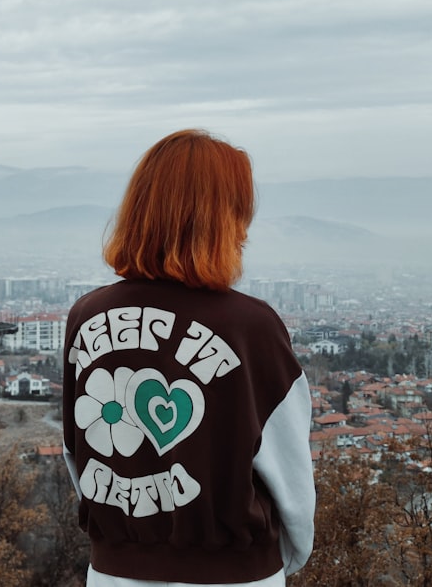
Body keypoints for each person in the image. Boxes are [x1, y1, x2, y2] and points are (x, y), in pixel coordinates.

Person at [63, 129, 315, 587]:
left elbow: (76, 449)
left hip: (115, 572)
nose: (246, 228)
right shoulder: (251, 327)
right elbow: (288, 470)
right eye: (240, 211)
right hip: (234, 576)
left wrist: (124, 540)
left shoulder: (88, 315)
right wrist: (277, 561)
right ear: (222, 219)